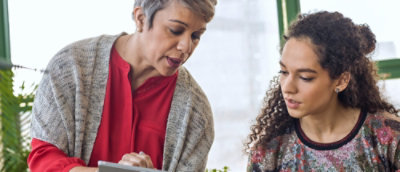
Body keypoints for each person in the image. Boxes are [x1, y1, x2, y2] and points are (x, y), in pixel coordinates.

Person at [28, 0, 217, 171]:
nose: (186, 46)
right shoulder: (71, 68)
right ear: (141, 18)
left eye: (196, 35)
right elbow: (43, 159)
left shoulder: (196, 113)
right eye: (175, 30)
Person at [246, 11, 400, 171]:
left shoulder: (389, 138)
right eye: (284, 72)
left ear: (341, 80)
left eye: (305, 77)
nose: (287, 88)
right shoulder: (268, 152)